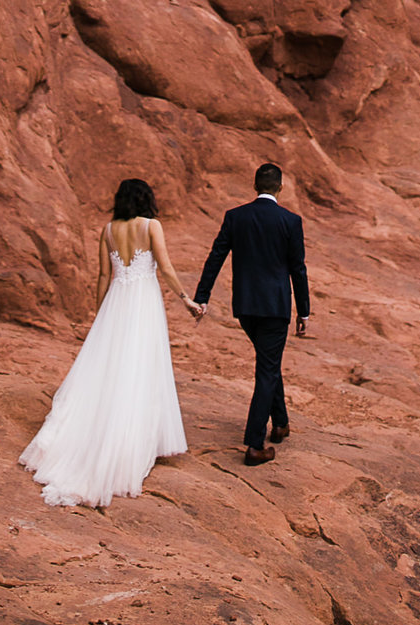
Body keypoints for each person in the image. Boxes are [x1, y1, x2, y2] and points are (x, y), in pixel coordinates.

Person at [19, 177, 197, 507]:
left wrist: (101, 314)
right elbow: (166, 268)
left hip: (116, 303)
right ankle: (128, 446)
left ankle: (100, 436)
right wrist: (186, 298)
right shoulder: (151, 226)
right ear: (146, 199)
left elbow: (103, 276)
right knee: (140, 367)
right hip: (143, 304)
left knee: (108, 371)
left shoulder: (108, 230)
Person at [192, 162, 311, 466]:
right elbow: (298, 268)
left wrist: (202, 297)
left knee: (269, 363)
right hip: (275, 307)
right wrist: (304, 311)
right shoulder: (290, 221)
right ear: (280, 187)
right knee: (267, 368)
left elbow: (215, 256)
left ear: (255, 185)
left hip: (245, 307)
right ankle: (255, 444)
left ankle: (281, 424)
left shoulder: (236, 217)